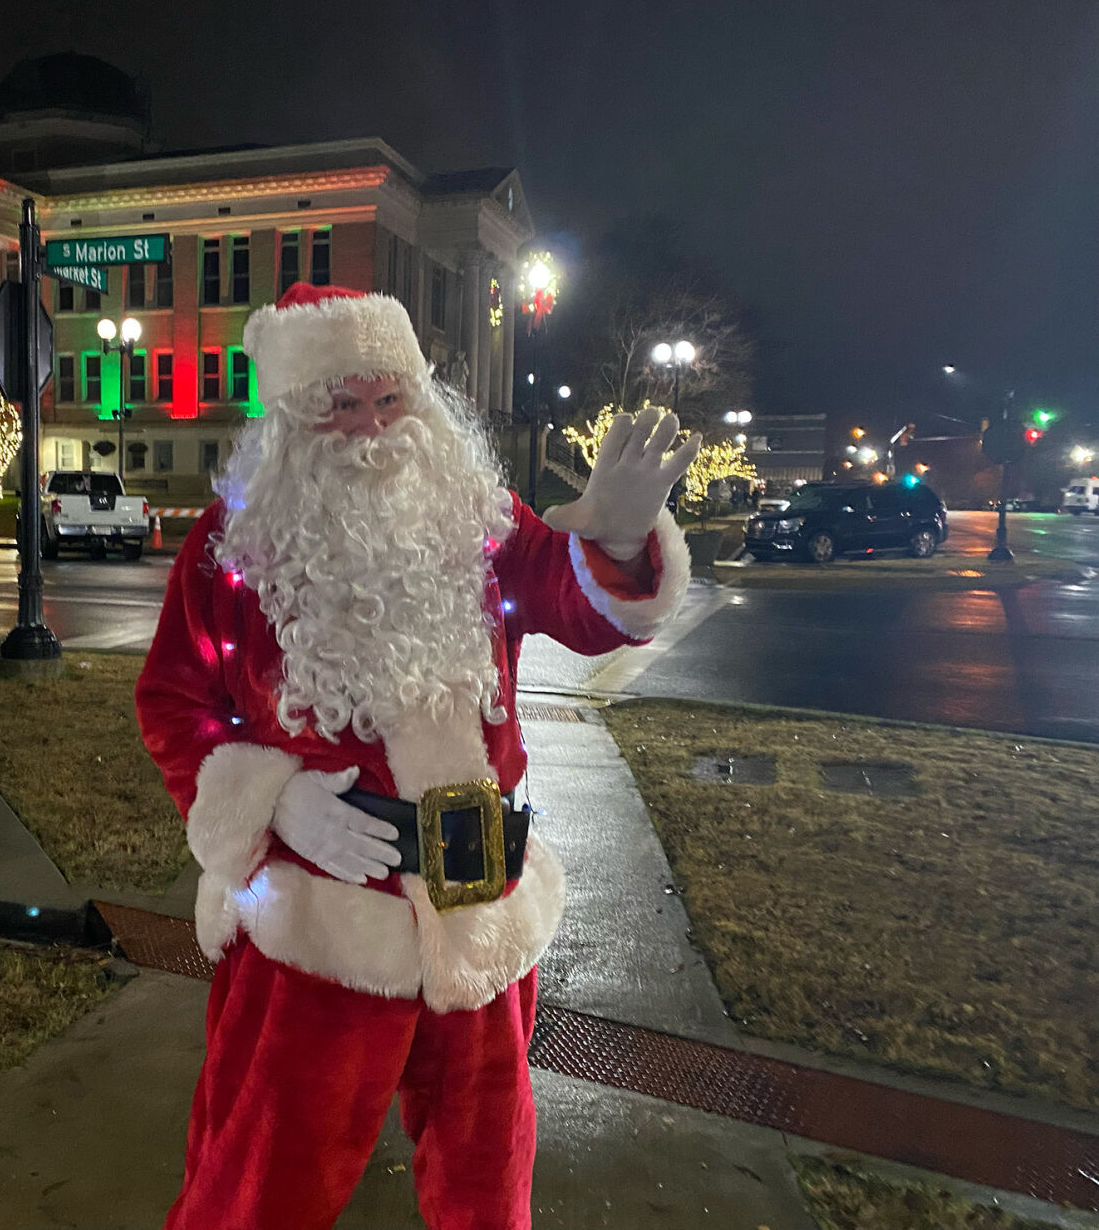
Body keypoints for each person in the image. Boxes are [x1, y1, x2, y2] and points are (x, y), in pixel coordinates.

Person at [135, 283, 699, 1230]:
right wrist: (269, 800)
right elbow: (174, 701)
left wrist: (618, 530)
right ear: (290, 417)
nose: (371, 426)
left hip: (480, 904)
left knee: (486, 1178)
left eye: (389, 398)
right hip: (319, 922)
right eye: (341, 403)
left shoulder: (479, 515)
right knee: (263, 1178)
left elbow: (574, 602)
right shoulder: (231, 546)